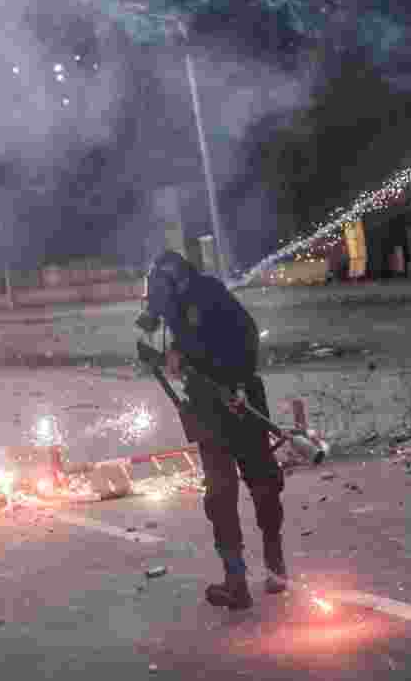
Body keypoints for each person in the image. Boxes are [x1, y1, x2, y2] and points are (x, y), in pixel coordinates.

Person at [141, 250, 286, 610]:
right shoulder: (200, 294)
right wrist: (172, 356)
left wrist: (228, 380)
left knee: (238, 489)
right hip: (223, 401)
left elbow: (232, 339)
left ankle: (245, 577)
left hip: (228, 402)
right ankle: (265, 571)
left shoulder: (200, 298)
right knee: (250, 486)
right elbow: (195, 347)